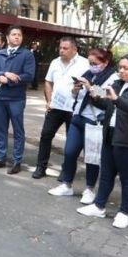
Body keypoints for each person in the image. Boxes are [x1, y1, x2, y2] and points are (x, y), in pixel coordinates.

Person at [78, 54, 128, 229]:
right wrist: (91, 90)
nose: (121, 71)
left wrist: (118, 100)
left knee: (127, 178)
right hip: (110, 136)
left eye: (126, 68)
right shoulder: (117, 84)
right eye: (120, 67)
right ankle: (99, 206)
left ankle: (124, 212)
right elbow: (105, 102)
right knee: (106, 174)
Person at [48, 48, 117, 203]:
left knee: (91, 157)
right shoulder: (88, 74)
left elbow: (108, 99)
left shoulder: (113, 77)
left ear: (105, 63)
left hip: (95, 120)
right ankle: (67, 184)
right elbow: (77, 96)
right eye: (90, 62)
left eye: (95, 63)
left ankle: (89, 189)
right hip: (78, 117)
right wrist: (75, 89)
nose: (92, 66)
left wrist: (90, 87)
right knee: (70, 152)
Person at [32, 37, 90, 179]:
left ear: (74, 49)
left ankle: (66, 170)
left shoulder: (85, 64)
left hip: (74, 109)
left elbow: (91, 85)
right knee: (46, 136)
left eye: (65, 48)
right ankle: (41, 167)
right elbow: (48, 82)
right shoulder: (55, 62)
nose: (61, 51)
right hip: (55, 107)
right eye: (60, 48)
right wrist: (49, 100)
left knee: (71, 142)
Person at [0, 26, 35, 174]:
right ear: (7, 37)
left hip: (16, 98)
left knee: (18, 130)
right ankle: (1, 158)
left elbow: (29, 75)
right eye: (14, 35)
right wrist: (3, 74)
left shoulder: (26, 55)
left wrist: (9, 79)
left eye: (19, 35)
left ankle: (17, 161)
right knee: (0, 129)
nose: (17, 37)